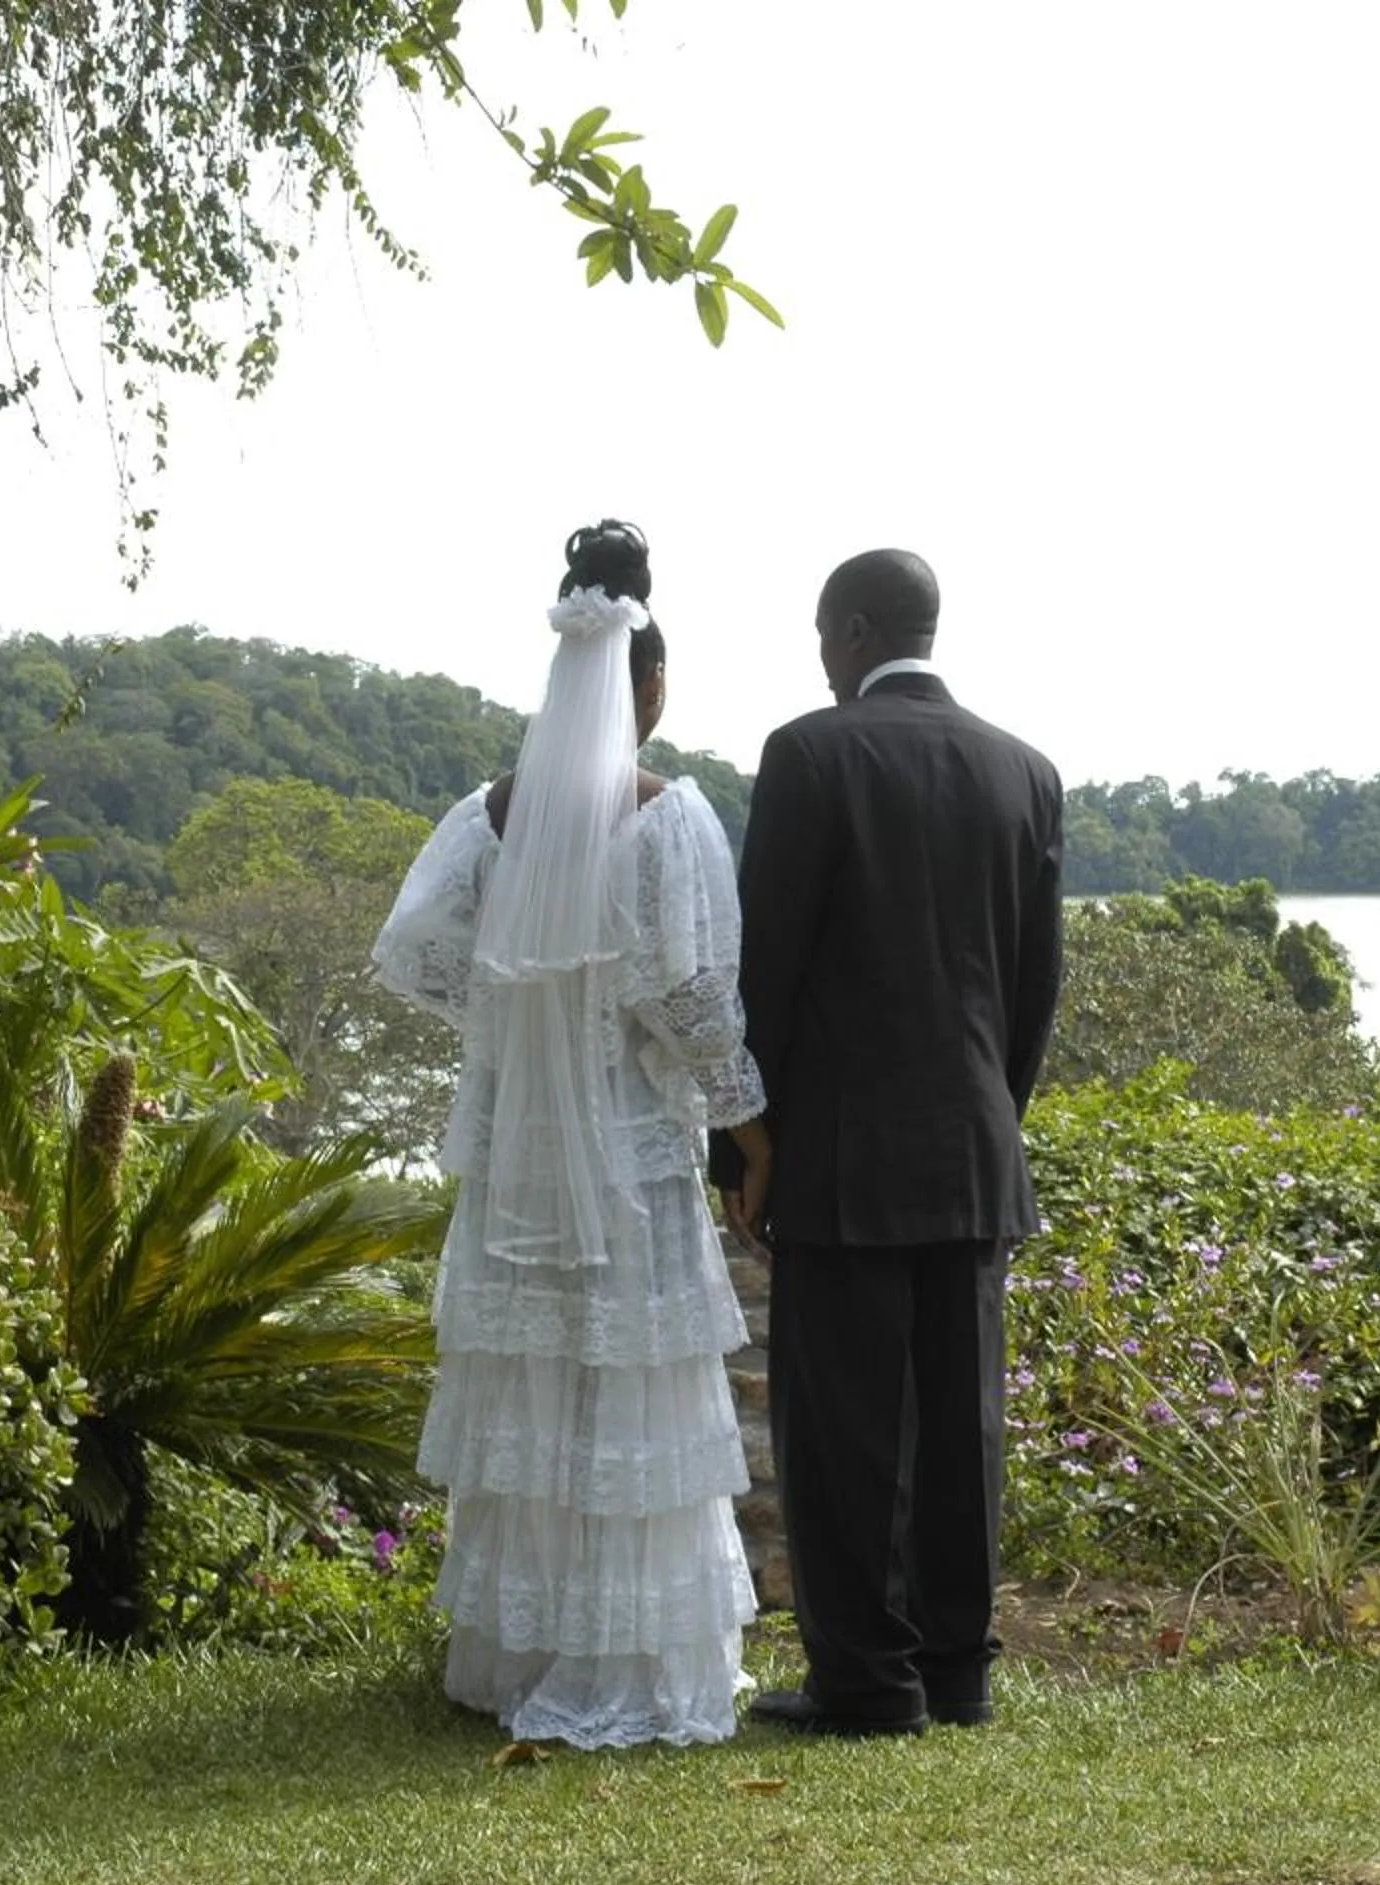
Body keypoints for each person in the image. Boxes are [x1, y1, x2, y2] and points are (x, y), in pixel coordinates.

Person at [372, 520, 771, 1749]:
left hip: (520, 1157)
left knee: (536, 1401)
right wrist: (747, 1124)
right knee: (627, 1400)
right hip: (630, 1153)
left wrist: (514, 1013)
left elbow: (415, 945)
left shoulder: (487, 817)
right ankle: (625, 1662)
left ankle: (520, 1652)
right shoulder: (667, 819)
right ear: (650, 683)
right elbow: (693, 998)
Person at [715, 547, 1063, 1738]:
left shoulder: (811, 753)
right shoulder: (1026, 769)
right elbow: (1035, 987)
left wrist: (742, 1147)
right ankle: (958, 1672)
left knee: (845, 1430)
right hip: (974, 1148)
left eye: (824, 635)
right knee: (963, 1425)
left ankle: (867, 1681)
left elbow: (763, 970)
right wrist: (992, 1118)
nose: (822, 657)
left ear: (854, 630)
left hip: (840, 1155)